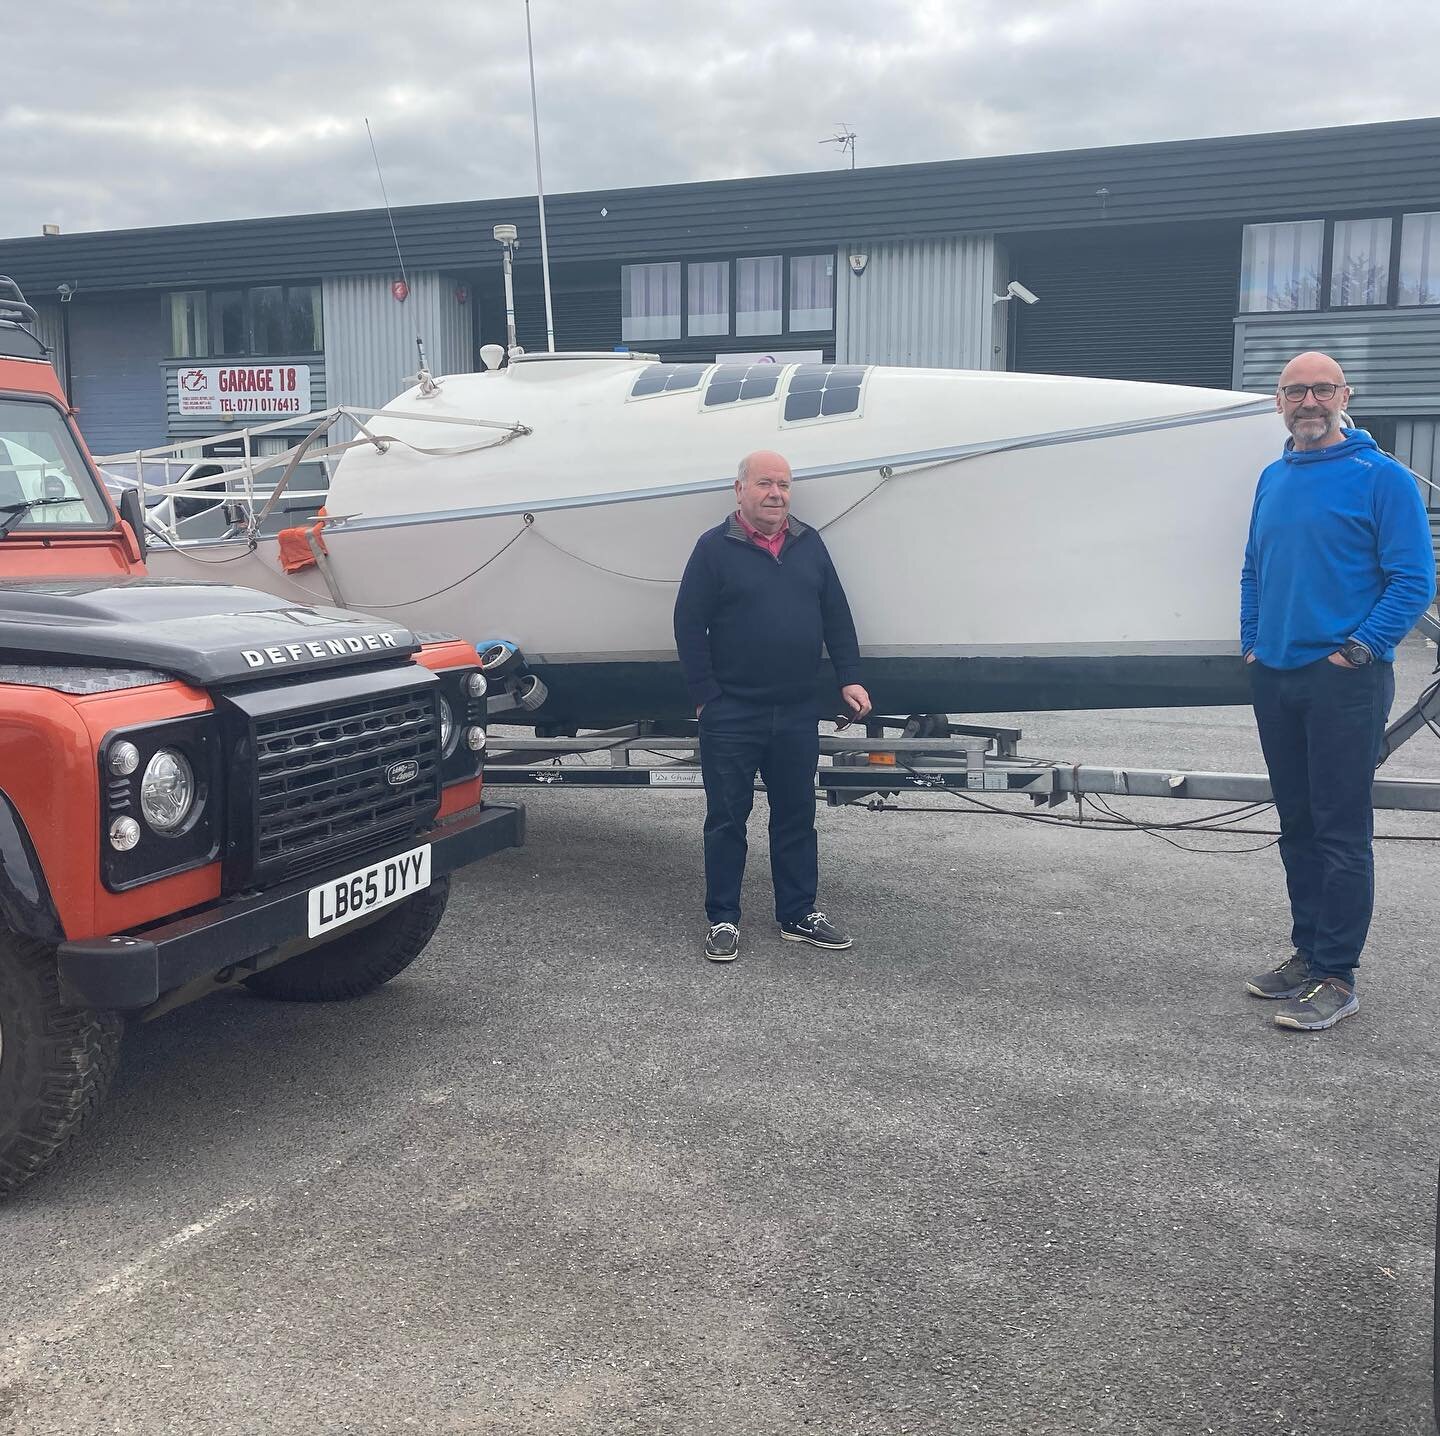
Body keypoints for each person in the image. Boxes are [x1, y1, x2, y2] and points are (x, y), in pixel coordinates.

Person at [1241, 352, 1435, 1031]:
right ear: (1279, 403)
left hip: (1344, 681)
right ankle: (1306, 952)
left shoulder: (1379, 477)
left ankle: (1337, 975)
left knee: (1339, 829)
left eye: (1322, 389)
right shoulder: (1274, 476)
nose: (1309, 402)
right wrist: (1253, 639)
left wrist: (1358, 649)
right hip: (1277, 675)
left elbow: (1414, 579)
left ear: (1344, 395)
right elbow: (1253, 568)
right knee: (1296, 823)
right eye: (1296, 391)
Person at [673, 450, 872, 962]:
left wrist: (849, 677)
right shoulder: (714, 548)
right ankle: (722, 918)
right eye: (765, 483)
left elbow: (837, 614)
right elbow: (689, 625)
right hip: (732, 712)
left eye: (783, 485)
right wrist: (705, 698)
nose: (776, 494)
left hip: (797, 709)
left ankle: (798, 914)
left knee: (795, 815)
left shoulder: (809, 544)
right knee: (726, 819)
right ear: (739, 489)